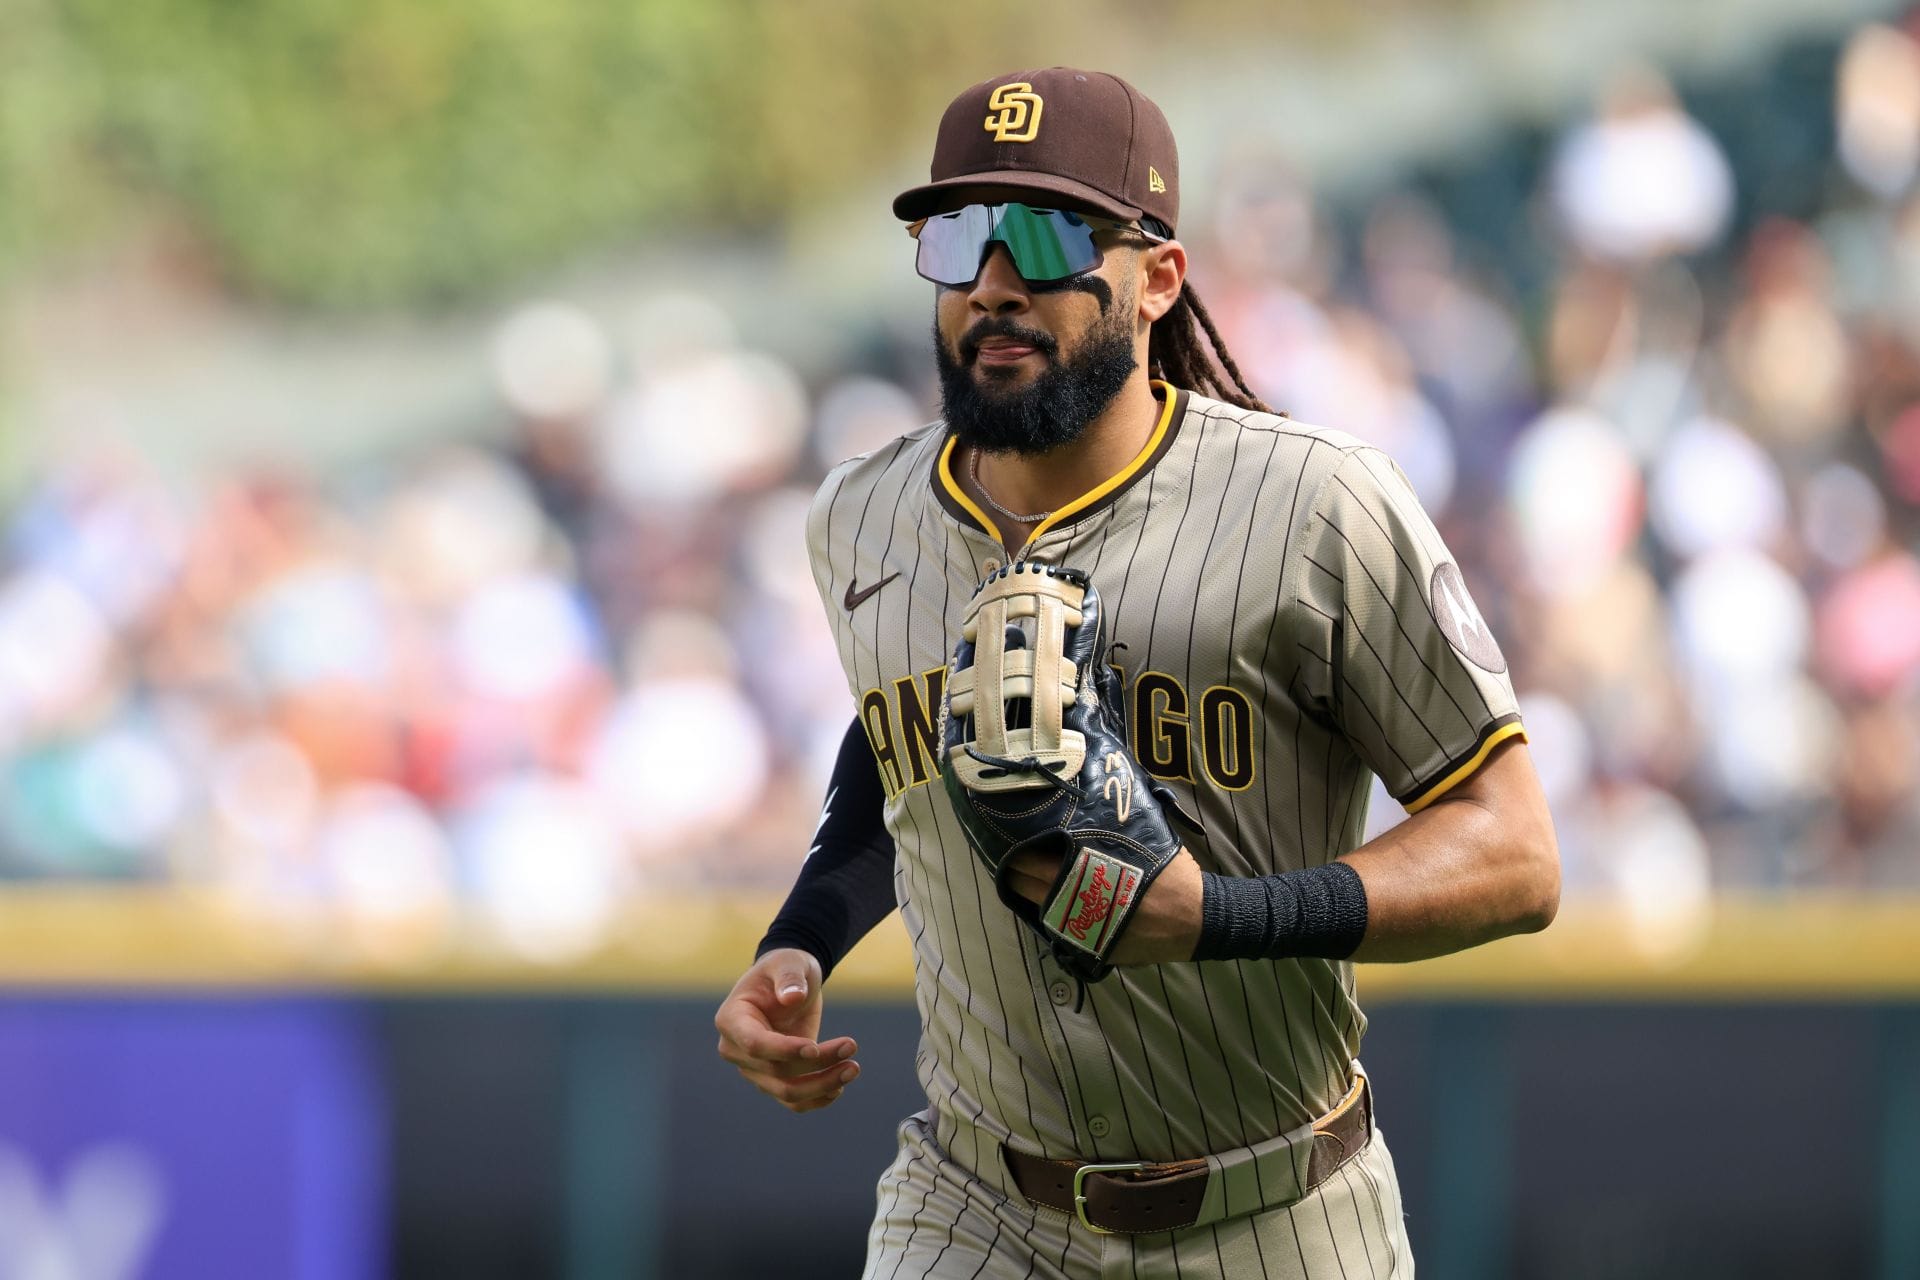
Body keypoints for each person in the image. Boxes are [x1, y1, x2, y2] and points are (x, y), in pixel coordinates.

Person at [715, 66, 1560, 1277]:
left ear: (1159, 276)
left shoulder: (1314, 503)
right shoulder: (863, 516)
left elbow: (1515, 854)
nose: (994, 283)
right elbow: (904, 739)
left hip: (1273, 1208)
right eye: (957, 239)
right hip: (971, 1203)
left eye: (1049, 235)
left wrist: (1215, 919)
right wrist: (800, 938)